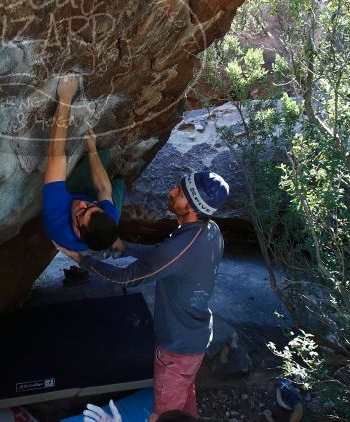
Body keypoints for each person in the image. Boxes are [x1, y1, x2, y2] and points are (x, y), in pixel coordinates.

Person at [55, 170, 229, 421]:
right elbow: (165, 256)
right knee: (185, 401)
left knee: (164, 415)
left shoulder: (179, 248)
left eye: (179, 193)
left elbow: (124, 278)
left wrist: (81, 259)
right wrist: (125, 247)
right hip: (196, 338)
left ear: (190, 207)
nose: (171, 192)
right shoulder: (210, 230)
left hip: (176, 350)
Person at [42, 75, 124, 254]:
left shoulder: (57, 216)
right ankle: (121, 181)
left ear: (78, 231)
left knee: (101, 182)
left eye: (81, 213)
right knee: (117, 185)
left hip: (67, 201)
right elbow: (103, 189)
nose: (81, 204)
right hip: (99, 211)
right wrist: (92, 150)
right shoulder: (107, 217)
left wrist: (65, 98)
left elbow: (56, 156)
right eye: (91, 206)